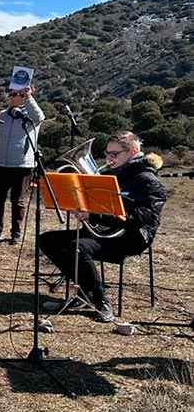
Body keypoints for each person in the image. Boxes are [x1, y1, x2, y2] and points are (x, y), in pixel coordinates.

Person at [40, 132, 166, 323]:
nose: (108, 159)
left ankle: (101, 302)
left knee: (77, 247)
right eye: (107, 153)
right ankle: (84, 293)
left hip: (131, 238)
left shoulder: (147, 179)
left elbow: (144, 219)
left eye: (114, 154)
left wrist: (96, 215)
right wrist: (79, 206)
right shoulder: (109, 174)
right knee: (47, 240)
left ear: (132, 151)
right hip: (105, 232)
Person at [0, 86, 44, 243]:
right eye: (10, 94)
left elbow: (40, 116)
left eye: (15, 94)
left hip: (22, 165)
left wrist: (29, 97)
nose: (11, 97)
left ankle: (16, 234)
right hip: (0, 164)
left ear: (23, 96)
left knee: (18, 201)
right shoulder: (3, 115)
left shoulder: (30, 116)